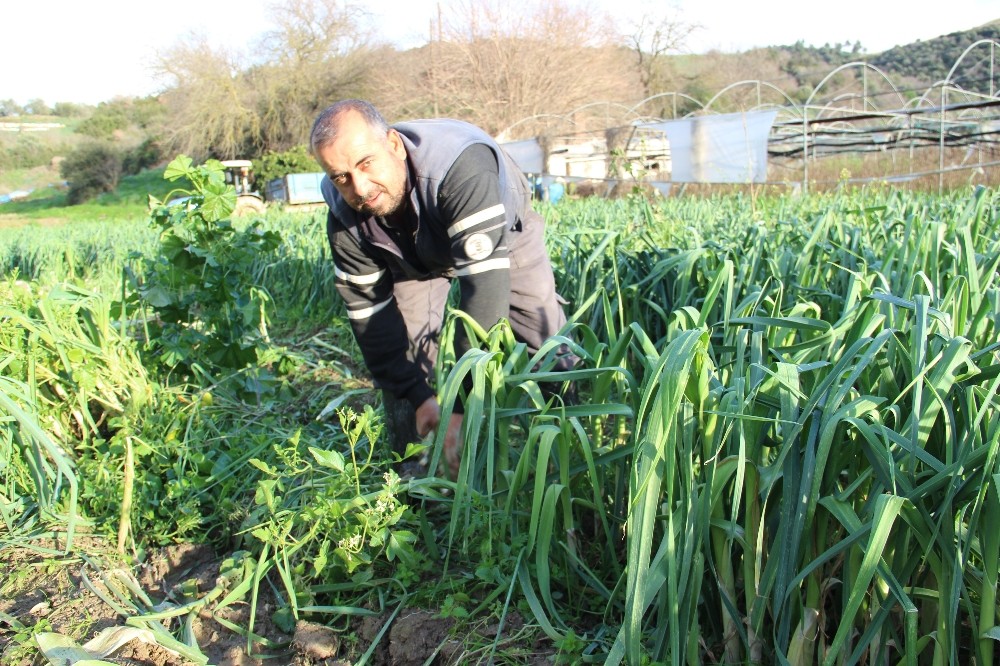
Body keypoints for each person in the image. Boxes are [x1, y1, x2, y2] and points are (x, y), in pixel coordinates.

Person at [309, 99, 572, 476]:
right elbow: (370, 317)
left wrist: (461, 406)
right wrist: (419, 396)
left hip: (500, 233)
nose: (359, 187)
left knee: (543, 337)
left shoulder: (461, 166)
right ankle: (412, 480)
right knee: (405, 354)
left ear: (395, 145)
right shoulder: (345, 212)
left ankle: (569, 455)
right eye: (341, 176)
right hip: (406, 253)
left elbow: (484, 294)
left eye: (366, 163)